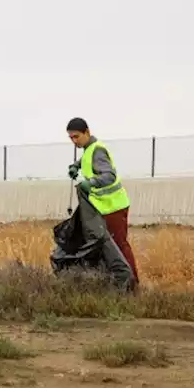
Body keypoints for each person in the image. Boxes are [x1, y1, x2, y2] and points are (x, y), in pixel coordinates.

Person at [66, 118, 137, 282]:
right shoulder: (89, 149)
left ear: (87, 132)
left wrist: (90, 183)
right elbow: (88, 162)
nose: (74, 141)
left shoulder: (97, 150)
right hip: (103, 208)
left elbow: (109, 176)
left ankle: (132, 283)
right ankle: (118, 282)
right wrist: (76, 166)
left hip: (114, 207)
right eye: (71, 138)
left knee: (119, 246)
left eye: (76, 137)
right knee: (107, 248)